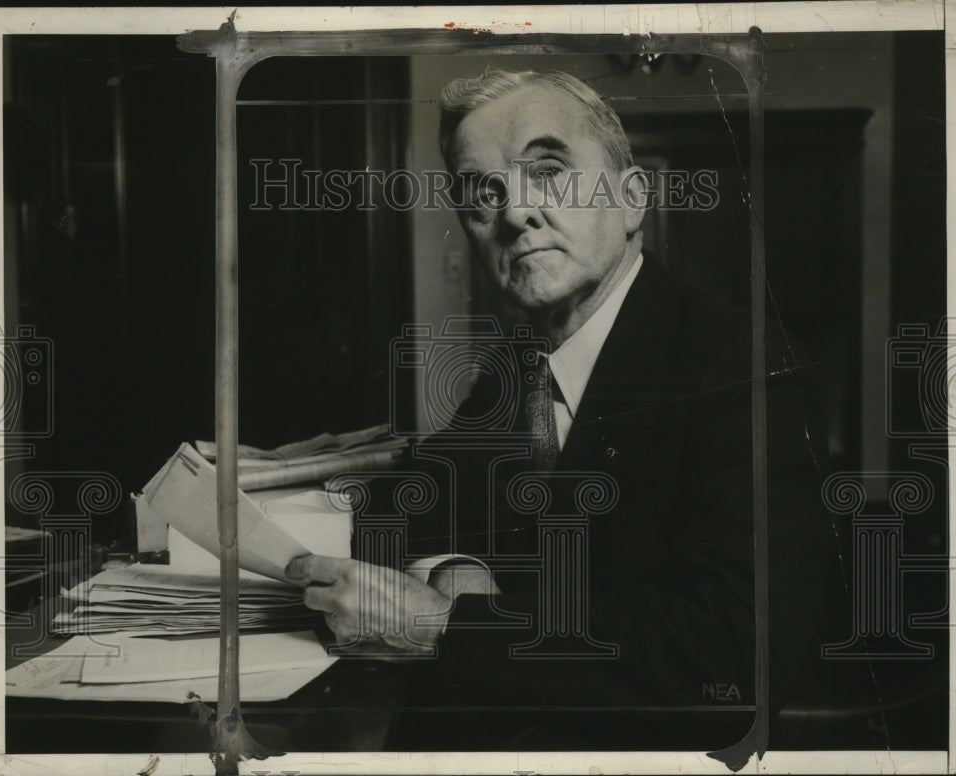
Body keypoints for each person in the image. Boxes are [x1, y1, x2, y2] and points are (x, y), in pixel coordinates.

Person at [285, 67, 841, 749]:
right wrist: (453, 566)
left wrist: (443, 626)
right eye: (483, 194)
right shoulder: (519, 361)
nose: (514, 213)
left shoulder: (747, 368)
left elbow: (734, 659)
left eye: (547, 172)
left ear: (632, 200)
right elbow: (420, 503)